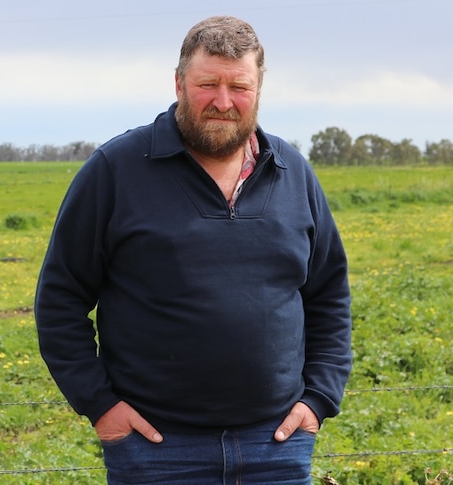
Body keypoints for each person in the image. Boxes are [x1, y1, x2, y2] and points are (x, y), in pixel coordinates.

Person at [34, 16, 352, 484]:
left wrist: (317, 401)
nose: (223, 102)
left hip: (276, 449)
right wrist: (101, 406)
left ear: (259, 88)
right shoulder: (116, 169)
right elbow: (60, 300)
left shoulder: (292, 172)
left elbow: (328, 294)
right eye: (208, 84)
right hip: (157, 450)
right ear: (180, 83)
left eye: (238, 87)